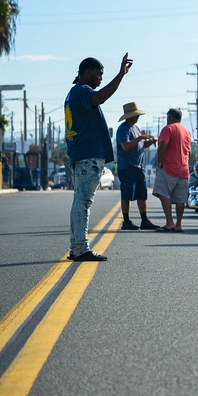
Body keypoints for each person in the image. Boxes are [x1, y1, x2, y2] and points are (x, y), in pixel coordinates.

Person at [65, 53, 133, 261]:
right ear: (86, 72)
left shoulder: (74, 93)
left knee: (80, 201)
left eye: (103, 74)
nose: (100, 78)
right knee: (83, 201)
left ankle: (77, 246)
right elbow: (100, 97)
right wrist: (120, 75)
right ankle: (79, 248)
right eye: (98, 74)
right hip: (87, 155)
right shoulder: (82, 91)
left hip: (82, 154)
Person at [115, 102, 158, 230]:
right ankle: (126, 221)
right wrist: (140, 138)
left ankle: (144, 220)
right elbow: (126, 146)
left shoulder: (136, 128)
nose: (137, 117)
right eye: (135, 115)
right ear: (129, 116)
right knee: (127, 194)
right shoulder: (123, 129)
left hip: (139, 166)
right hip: (127, 166)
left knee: (142, 194)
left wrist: (149, 142)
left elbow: (140, 146)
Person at [153, 108, 192, 233]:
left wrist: (159, 160)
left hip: (169, 167)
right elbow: (189, 151)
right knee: (180, 198)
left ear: (170, 117)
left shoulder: (168, 128)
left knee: (162, 193)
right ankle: (178, 224)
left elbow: (163, 144)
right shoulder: (186, 131)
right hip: (183, 169)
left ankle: (169, 223)